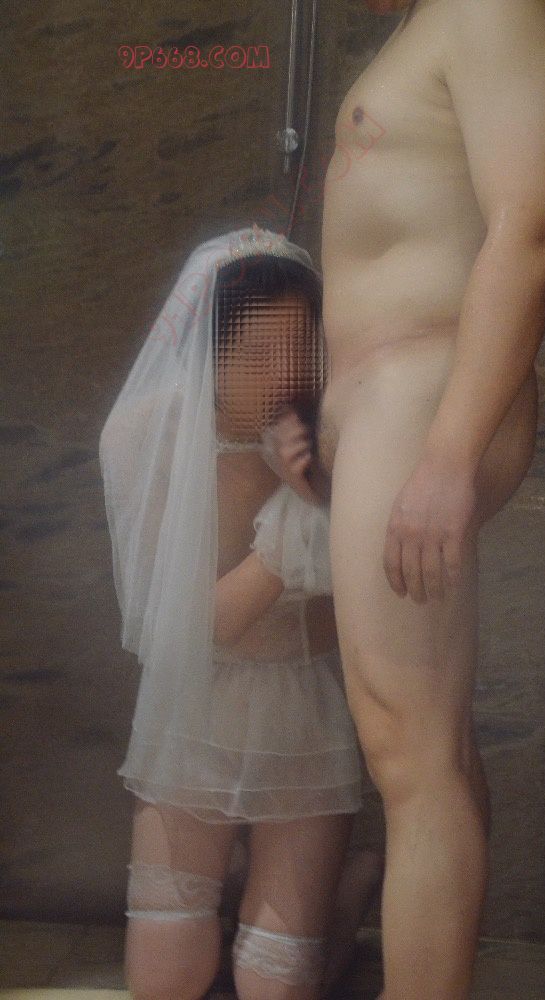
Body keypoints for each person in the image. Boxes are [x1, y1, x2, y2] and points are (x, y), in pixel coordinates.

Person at [316, 1, 545, 997]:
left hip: (424, 406)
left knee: (412, 752)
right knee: (430, 744)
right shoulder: (432, 19)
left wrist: (445, 455)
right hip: (398, 409)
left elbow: (533, 228)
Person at [98, 227, 384, 1000]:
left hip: (302, 713)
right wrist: (292, 527)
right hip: (191, 707)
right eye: (256, 355)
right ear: (204, 352)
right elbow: (192, 633)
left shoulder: (339, 435)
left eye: (300, 352)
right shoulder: (144, 436)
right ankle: (270, 898)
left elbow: (360, 610)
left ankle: (343, 899)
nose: (283, 376)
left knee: (270, 982)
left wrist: (309, 488)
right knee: (165, 981)